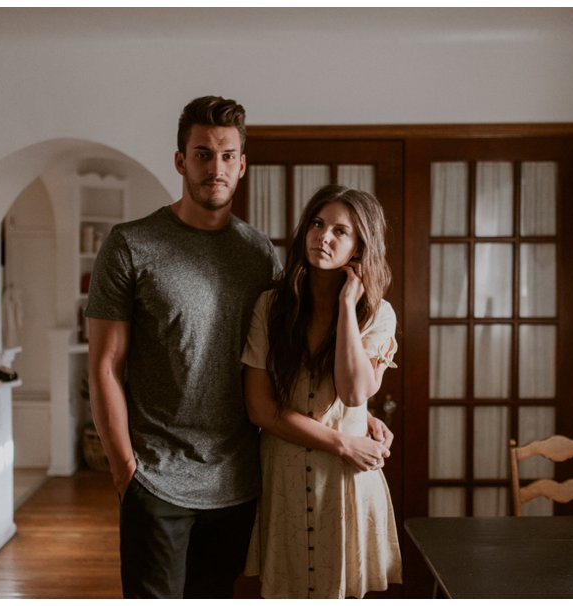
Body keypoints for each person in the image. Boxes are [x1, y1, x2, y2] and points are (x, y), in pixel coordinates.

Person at [84, 95, 281, 598]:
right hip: (155, 482)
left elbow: (285, 359)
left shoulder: (258, 253)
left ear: (241, 164)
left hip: (237, 483)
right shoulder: (131, 244)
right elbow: (105, 366)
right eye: (202, 154)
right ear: (180, 160)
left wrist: (354, 412)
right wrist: (125, 470)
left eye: (227, 155)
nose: (216, 167)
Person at [243, 184, 403, 598]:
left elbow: (353, 393)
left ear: (359, 247)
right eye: (317, 223)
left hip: (345, 485)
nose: (323, 237)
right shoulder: (270, 307)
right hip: (284, 474)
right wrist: (343, 443)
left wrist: (348, 306)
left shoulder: (378, 314)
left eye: (340, 231)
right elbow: (260, 409)